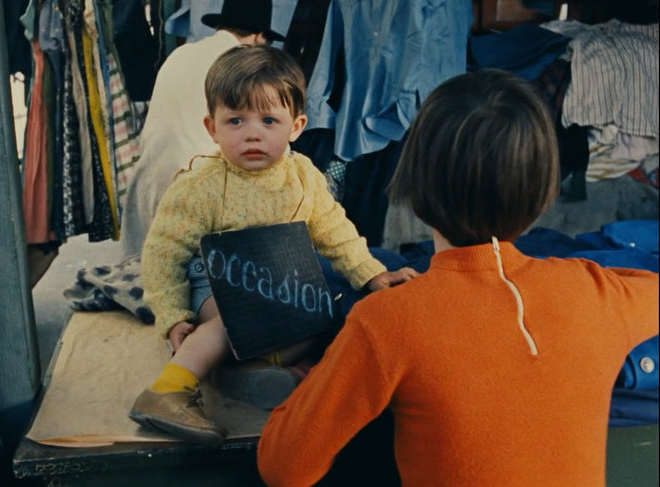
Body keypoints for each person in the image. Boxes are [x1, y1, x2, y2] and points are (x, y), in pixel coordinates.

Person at [257, 69, 659, 487]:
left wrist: (313, 383)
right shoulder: (599, 293)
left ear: (415, 180)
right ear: (543, 190)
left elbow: (284, 468)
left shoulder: (388, 321)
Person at [128, 45, 419, 446]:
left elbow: (335, 230)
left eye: (268, 120)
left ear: (296, 126)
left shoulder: (303, 175)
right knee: (234, 322)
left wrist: (372, 274)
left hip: (280, 281)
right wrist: (173, 314)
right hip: (215, 278)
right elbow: (162, 252)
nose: (252, 133)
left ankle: (243, 369)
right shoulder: (200, 185)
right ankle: (167, 390)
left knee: (319, 318)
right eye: (235, 120)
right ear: (211, 128)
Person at [120, 0, 286, 256]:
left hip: (148, 187)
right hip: (194, 189)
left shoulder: (181, 53)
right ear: (258, 37)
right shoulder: (240, 66)